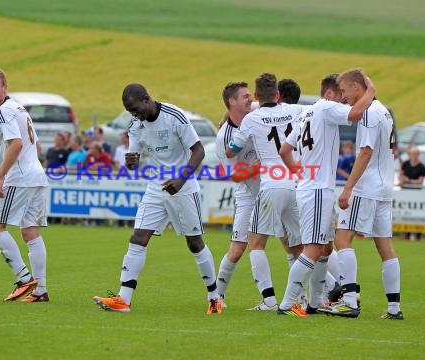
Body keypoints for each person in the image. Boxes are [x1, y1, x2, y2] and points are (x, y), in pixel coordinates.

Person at [93, 83, 222, 314]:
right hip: (155, 186)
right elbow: (133, 161)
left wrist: (181, 179)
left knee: (194, 242)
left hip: (183, 186)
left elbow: (199, 150)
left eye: (135, 109)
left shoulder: (175, 116)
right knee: (138, 237)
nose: (135, 115)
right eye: (130, 112)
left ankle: (214, 297)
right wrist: (131, 163)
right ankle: (124, 299)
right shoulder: (135, 125)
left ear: (146, 99)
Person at [278, 72, 375, 316]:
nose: (343, 98)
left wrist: (297, 170)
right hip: (318, 189)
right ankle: (288, 305)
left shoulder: (305, 113)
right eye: (340, 93)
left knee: (323, 249)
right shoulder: (325, 108)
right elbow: (355, 114)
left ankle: (315, 302)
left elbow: (284, 150)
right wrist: (370, 91)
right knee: (312, 249)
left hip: (310, 187)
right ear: (329, 93)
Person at [319, 69, 403, 320]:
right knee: (385, 246)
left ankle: (348, 301)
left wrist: (348, 188)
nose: (343, 96)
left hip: (367, 188)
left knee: (342, 238)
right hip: (385, 188)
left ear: (357, 87)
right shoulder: (385, 111)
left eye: (344, 91)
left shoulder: (368, 114)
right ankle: (394, 309)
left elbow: (365, 153)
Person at [226, 73, 305, 312]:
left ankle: (269, 301)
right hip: (296, 184)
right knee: (299, 246)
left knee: (256, 244)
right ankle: (301, 300)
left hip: (271, 185)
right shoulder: (296, 111)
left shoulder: (253, 118)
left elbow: (232, 151)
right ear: (278, 95)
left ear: (257, 97)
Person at [0, 67, 49, 303]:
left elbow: (16, 144)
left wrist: (0, 176)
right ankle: (41, 291)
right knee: (30, 231)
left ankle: (23, 279)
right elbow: (36, 146)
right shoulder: (20, 108)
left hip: (19, 178)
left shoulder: (3, 111)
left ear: (4, 88)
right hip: (37, 175)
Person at [214, 81, 257, 308]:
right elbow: (235, 176)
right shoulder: (223, 137)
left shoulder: (258, 111)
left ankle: (331, 288)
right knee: (238, 248)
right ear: (232, 102)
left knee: (296, 243)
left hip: (275, 189)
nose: (250, 100)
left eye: (250, 96)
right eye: (245, 97)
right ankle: (217, 295)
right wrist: (259, 167)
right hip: (248, 194)